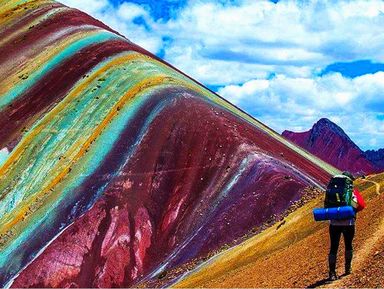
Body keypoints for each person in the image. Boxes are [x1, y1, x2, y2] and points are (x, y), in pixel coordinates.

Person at [328, 171, 365, 281]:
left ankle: (332, 273)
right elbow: (361, 205)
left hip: (334, 223)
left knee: (333, 247)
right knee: (348, 245)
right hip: (349, 223)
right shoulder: (352, 192)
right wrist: (352, 211)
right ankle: (347, 269)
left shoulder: (333, 191)